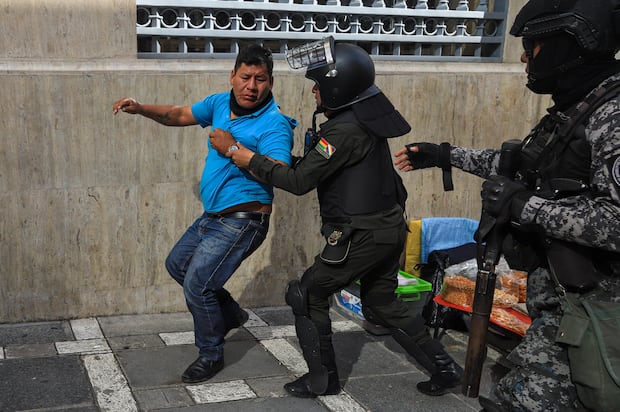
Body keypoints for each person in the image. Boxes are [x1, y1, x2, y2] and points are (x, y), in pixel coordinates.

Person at [395, 0, 620, 410]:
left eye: (532, 46)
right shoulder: (577, 110)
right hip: (564, 306)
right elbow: (522, 164)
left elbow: (616, 220)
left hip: (598, 312)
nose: (523, 56)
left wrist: (526, 208)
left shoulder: (613, 115)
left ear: (565, 46)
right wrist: (445, 155)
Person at [209, 36, 463, 398]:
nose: (314, 92)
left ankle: (321, 379)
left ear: (336, 85)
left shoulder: (343, 129)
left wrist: (240, 153)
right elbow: (318, 169)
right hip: (387, 228)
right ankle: (445, 368)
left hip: (361, 234)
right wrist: (271, 161)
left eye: (318, 84)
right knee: (382, 302)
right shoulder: (360, 116)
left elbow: (298, 182)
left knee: (307, 293)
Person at [112, 44, 297, 384]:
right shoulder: (218, 104)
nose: (251, 87)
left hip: (245, 220)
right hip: (213, 217)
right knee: (177, 265)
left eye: (260, 80)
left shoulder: (275, 125)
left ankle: (211, 354)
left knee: (198, 285)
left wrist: (232, 149)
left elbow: (281, 172)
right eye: (245, 77)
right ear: (233, 76)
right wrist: (139, 108)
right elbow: (178, 114)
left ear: (271, 83)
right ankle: (229, 313)